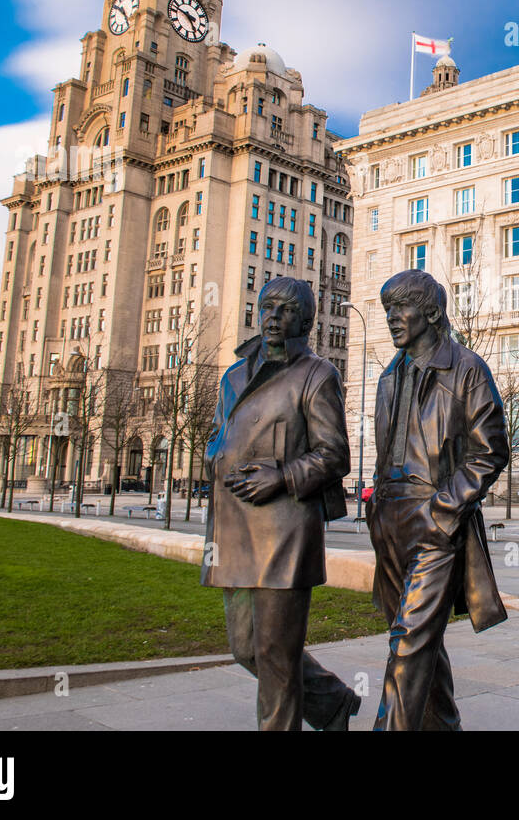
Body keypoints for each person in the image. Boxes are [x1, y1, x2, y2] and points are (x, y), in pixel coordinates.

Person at [201, 276, 361, 731]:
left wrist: (283, 476)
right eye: (267, 307)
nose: (273, 317)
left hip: (284, 531)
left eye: (286, 311)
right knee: (247, 647)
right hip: (233, 528)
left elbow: (335, 455)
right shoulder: (234, 375)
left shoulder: (316, 375)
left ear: (306, 322)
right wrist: (214, 453)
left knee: (276, 656)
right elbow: (218, 431)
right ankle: (330, 702)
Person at [369, 270, 508, 730]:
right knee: (418, 641)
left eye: (401, 308)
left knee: (408, 641)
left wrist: (444, 509)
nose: (392, 318)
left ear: (431, 313)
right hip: (389, 522)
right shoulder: (389, 377)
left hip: (435, 518)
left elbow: (490, 451)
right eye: (388, 309)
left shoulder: (466, 368)